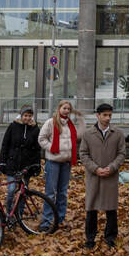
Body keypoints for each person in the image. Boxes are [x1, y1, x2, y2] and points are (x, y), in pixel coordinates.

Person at [81, 103, 127, 249]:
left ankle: (110, 237)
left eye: (109, 115)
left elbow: (122, 153)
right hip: (93, 176)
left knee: (111, 208)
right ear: (97, 115)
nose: (107, 118)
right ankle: (90, 238)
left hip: (110, 176)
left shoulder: (117, 133)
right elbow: (83, 154)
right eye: (104, 115)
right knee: (91, 208)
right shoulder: (88, 134)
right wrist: (95, 169)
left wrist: (112, 167)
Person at [38, 99, 80, 232]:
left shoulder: (70, 124)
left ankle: (60, 219)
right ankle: (46, 221)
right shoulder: (51, 122)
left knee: (62, 193)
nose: (66, 111)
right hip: (53, 162)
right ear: (59, 108)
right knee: (50, 193)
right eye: (64, 108)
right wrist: (52, 148)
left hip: (66, 163)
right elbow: (41, 139)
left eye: (68, 109)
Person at [0, 105, 41, 217]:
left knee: (23, 192)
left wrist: (37, 165)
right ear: (21, 115)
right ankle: (8, 213)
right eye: (25, 115)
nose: (27, 118)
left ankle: (20, 215)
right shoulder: (13, 126)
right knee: (12, 190)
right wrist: (2, 162)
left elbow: (37, 149)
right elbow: (5, 145)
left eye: (29, 116)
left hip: (26, 166)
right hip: (12, 163)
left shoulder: (35, 129)